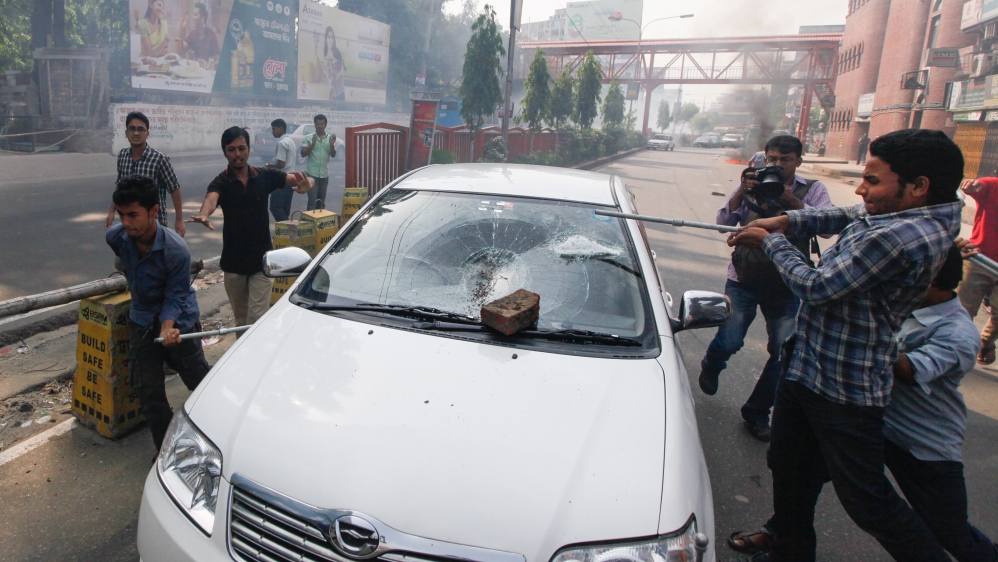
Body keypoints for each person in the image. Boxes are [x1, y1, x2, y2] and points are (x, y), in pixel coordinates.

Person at [725, 129, 964, 562]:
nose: (861, 187)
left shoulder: (899, 236)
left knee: (868, 500)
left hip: (845, 386)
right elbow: (850, 214)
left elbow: (816, 287)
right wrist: (787, 220)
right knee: (789, 465)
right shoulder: (906, 214)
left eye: (873, 180)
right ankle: (788, 547)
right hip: (810, 364)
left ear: (918, 186)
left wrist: (771, 240)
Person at [726, 245, 998, 562]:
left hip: (919, 441)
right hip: (860, 418)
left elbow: (909, 371)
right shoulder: (898, 302)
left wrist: (859, 327)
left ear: (931, 280)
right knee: (800, 475)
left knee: (948, 530)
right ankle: (785, 541)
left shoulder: (958, 332)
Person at [699, 135, 832, 442]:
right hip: (743, 278)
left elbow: (825, 227)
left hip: (789, 283)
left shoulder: (813, 190)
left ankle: (757, 411)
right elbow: (723, 222)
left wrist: (792, 203)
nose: (777, 165)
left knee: (786, 353)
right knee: (729, 339)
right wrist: (740, 194)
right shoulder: (754, 182)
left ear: (798, 160)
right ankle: (712, 363)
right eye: (772, 159)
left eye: (785, 160)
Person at [106, 175, 210, 452]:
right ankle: (166, 450)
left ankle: (216, 437)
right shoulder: (116, 237)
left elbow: (174, 296)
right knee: (148, 390)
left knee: (198, 382)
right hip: (141, 319)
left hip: (180, 323)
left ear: (153, 212)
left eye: (133, 215)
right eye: (121, 215)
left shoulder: (176, 251)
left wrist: (167, 327)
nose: (126, 223)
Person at [187, 127, 314, 327]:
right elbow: (211, 199)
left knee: (256, 320)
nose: (237, 154)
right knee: (240, 320)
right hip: (233, 264)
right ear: (225, 152)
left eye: (241, 148)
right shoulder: (221, 182)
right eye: (231, 149)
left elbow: (297, 179)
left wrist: (308, 183)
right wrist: (203, 214)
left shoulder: (264, 175)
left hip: (261, 264)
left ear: (248, 149)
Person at [105, 111, 185, 237]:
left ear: (147, 134)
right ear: (126, 133)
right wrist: (111, 212)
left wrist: (179, 220)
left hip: (154, 224)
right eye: (132, 129)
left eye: (141, 129)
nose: (136, 133)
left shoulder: (159, 159)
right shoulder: (123, 156)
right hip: (130, 224)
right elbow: (120, 186)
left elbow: (174, 188)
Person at [956, 175, 998, 364]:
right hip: (980, 259)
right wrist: (972, 186)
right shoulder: (993, 186)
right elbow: (979, 186)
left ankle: (986, 341)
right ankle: (953, 351)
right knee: (963, 310)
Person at [300, 114, 336, 211]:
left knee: (321, 203)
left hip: (324, 174)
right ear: (315, 125)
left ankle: (320, 224)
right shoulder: (308, 137)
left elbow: (333, 154)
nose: (320, 126)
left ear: (325, 125)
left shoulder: (330, 138)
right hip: (312, 174)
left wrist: (332, 145)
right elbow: (303, 154)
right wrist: (312, 144)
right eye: (318, 124)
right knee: (312, 202)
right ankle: (310, 224)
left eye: (322, 124)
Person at [266, 118, 296, 222]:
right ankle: (284, 235)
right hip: (291, 177)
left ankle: (287, 231)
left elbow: (281, 164)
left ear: (280, 128)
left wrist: (270, 166)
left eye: (274, 129)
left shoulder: (282, 143)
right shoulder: (290, 141)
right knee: (284, 208)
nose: (272, 131)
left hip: (281, 178)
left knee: (275, 207)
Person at [319, 26, 346, 101]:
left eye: (332, 37)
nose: (331, 40)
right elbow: (331, 80)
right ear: (326, 39)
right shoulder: (326, 58)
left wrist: (343, 65)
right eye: (329, 37)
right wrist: (341, 71)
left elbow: (343, 68)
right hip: (334, 95)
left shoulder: (337, 52)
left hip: (342, 92)